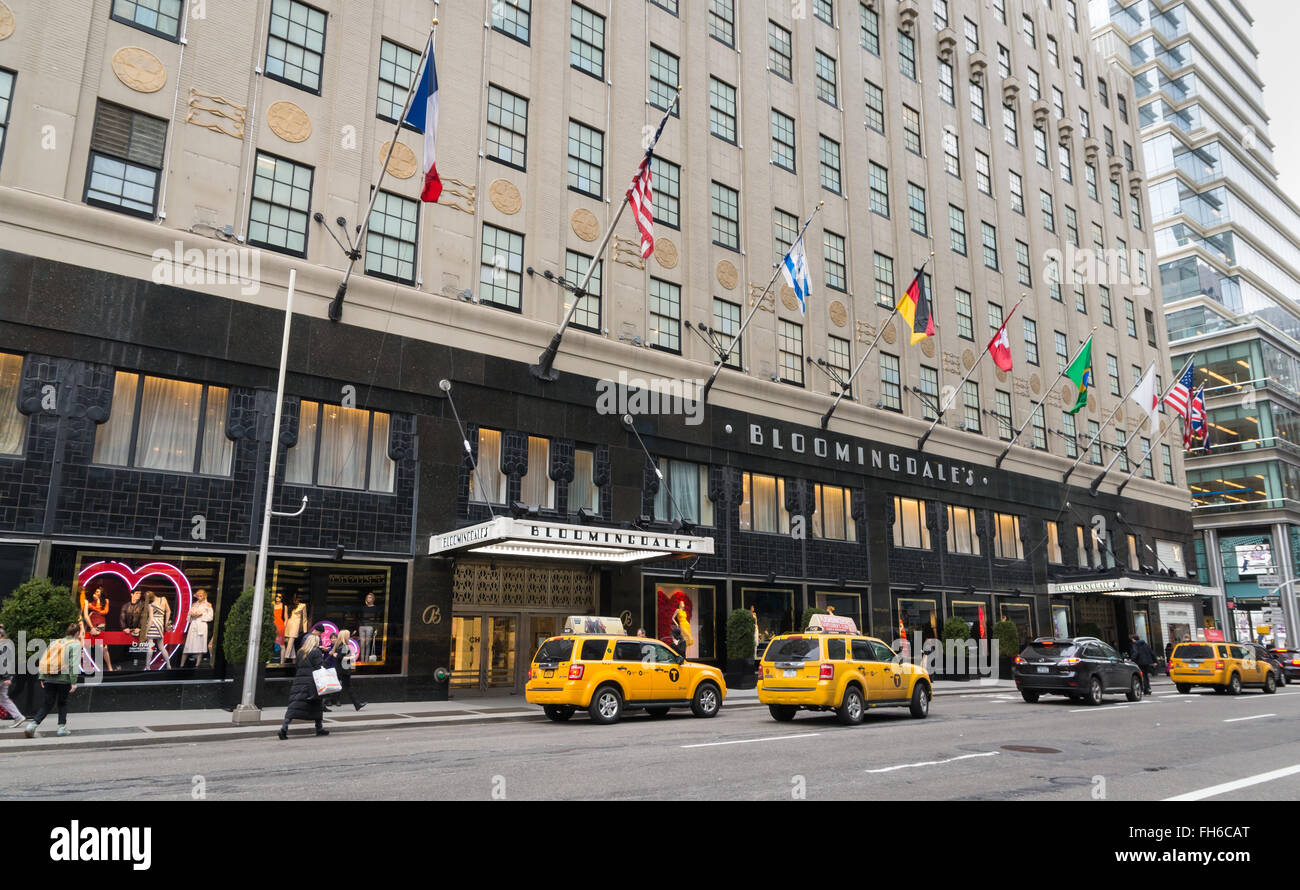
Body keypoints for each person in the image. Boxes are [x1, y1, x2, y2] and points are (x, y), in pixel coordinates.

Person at [23, 624, 83, 738]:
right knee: (62, 703)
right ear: (77, 633)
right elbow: (73, 664)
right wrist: (74, 682)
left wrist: (42, 676)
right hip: (63, 679)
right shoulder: (75, 644)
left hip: (49, 677)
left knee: (47, 704)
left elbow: (44, 659)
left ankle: (32, 726)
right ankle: (61, 728)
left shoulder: (55, 642)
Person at [279, 632, 328, 740]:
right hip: (312, 682)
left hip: (299, 681)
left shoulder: (300, 652)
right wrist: (324, 659)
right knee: (316, 704)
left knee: (294, 705)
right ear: (315, 642)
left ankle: (284, 727)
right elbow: (320, 667)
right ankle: (319, 728)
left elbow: (297, 666)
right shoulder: (316, 652)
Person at [324, 630, 365, 712]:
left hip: (340, 669)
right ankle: (357, 704)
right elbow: (340, 657)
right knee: (346, 687)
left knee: (333, 687)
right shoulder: (344, 646)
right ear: (345, 636)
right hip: (343, 670)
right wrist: (351, 657)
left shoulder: (338, 644)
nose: (349, 637)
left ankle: (357, 704)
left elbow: (334, 655)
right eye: (348, 635)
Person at [80, 586, 113, 672]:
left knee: (103, 647)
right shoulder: (90, 603)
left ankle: (110, 668)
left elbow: (105, 612)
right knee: (87, 646)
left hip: (100, 625)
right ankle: (90, 667)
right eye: (96, 591)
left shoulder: (105, 601)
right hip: (91, 625)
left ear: (101, 593)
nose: (96, 593)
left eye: (98, 591)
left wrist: (94, 611)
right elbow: (85, 615)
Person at [0, 625, 25, 727]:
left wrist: (6, 677)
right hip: (4, 677)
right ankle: (18, 717)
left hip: (2, 677)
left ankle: (18, 717)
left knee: (3, 698)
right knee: (3, 698)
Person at [183, 589, 214, 668]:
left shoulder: (208, 605)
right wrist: (192, 615)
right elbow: (188, 616)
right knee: (188, 644)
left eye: (201, 596)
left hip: (202, 625)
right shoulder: (194, 604)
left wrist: (201, 615)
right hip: (193, 624)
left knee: (200, 645)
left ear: (204, 596)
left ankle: (197, 664)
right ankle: (182, 664)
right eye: (198, 596)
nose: (199, 597)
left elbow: (210, 617)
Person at [144, 591, 173, 669]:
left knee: (150, 646)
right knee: (161, 647)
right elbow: (168, 611)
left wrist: (145, 632)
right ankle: (169, 665)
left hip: (153, 625)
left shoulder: (150, 605)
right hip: (160, 625)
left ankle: (147, 666)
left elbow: (150, 620)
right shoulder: (163, 599)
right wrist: (166, 622)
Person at [119, 589, 146, 668]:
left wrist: (139, 627)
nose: (139, 595)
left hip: (137, 631)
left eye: (140, 593)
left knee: (136, 651)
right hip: (127, 631)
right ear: (132, 594)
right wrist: (124, 628)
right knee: (126, 649)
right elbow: (122, 617)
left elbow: (143, 617)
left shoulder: (143, 605)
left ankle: (135, 666)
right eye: (137, 593)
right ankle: (124, 666)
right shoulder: (125, 605)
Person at [358, 592, 379, 662]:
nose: (368, 599)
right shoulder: (363, 608)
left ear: (373, 599)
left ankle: (366, 661)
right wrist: (358, 627)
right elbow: (359, 618)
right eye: (367, 597)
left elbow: (377, 619)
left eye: (370, 597)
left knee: (367, 644)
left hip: (370, 627)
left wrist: (376, 628)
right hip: (362, 627)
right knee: (362, 644)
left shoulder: (375, 608)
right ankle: (362, 660)